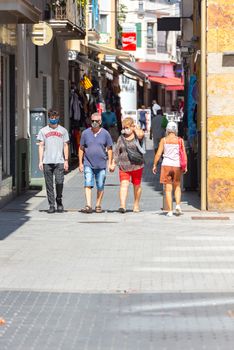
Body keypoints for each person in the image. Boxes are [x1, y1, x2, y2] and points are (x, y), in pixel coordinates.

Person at [78, 112, 113, 213]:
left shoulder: (105, 134)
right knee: (88, 183)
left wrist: (110, 163)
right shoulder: (85, 133)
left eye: (96, 121)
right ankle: (88, 205)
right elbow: (81, 148)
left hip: (101, 164)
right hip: (88, 163)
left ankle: (98, 205)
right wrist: (80, 163)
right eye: (92, 121)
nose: (94, 123)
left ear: (100, 122)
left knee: (100, 185)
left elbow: (109, 148)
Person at [152, 121, 187, 217]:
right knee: (177, 186)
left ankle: (170, 210)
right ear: (176, 130)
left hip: (166, 165)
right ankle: (178, 206)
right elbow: (183, 154)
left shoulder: (164, 140)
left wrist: (154, 165)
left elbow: (158, 154)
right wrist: (185, 166)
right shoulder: (180, 140)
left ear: (167, 130)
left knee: (168, 189)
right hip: (177, 165)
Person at [37, 110, 69, 214]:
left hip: (59, 161)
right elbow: (41, 146)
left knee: (59, 181)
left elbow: (65, 145)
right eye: (51, 117)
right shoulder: (43, 131)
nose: (53, 119)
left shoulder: (63, 131)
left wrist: (66, 160)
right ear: (48, 117)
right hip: (47, 161)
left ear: (58, 118)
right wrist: (40, 161)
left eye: (55, 117)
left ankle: (59, 200)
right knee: (49, 184)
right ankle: (51, 205)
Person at [111, 117, 145, 213]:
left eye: (127, 127)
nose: (125, 129)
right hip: (124, 166)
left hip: (137, 166)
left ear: (131, 126)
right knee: (123, 184)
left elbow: (141, 135)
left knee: (137, 185)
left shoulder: (137, 135)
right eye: (123, 127)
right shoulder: (121, 138)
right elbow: (117, 152)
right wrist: (113, 163)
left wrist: (134, 128)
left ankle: (136, 204)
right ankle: (122, 206)